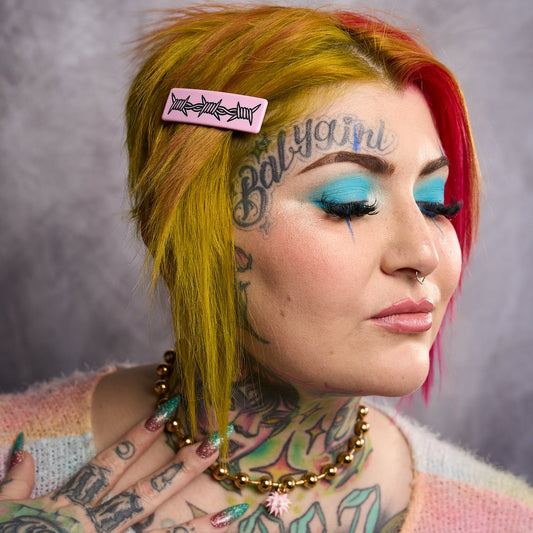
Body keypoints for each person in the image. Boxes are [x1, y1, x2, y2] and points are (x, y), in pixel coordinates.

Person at [0, 4, 532, 532]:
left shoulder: (504, 518)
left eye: (436, 204)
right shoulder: (14, 458)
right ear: (190, 229)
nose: (425, 253)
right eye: (349, 203)